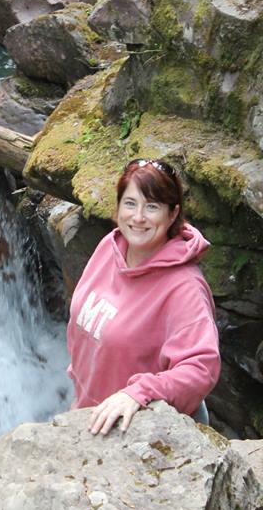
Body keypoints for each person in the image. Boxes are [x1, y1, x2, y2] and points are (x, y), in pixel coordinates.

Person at [67, 158, 220, 436]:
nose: (138, 217)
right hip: (92, 415)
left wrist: (139, 392)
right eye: (130, 203)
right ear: (117, 207)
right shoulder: (110, 247)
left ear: (172, 214)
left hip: (143, 429)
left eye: (152, 207)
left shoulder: (184, 287)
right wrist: (80, 397)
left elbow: (201, 368)